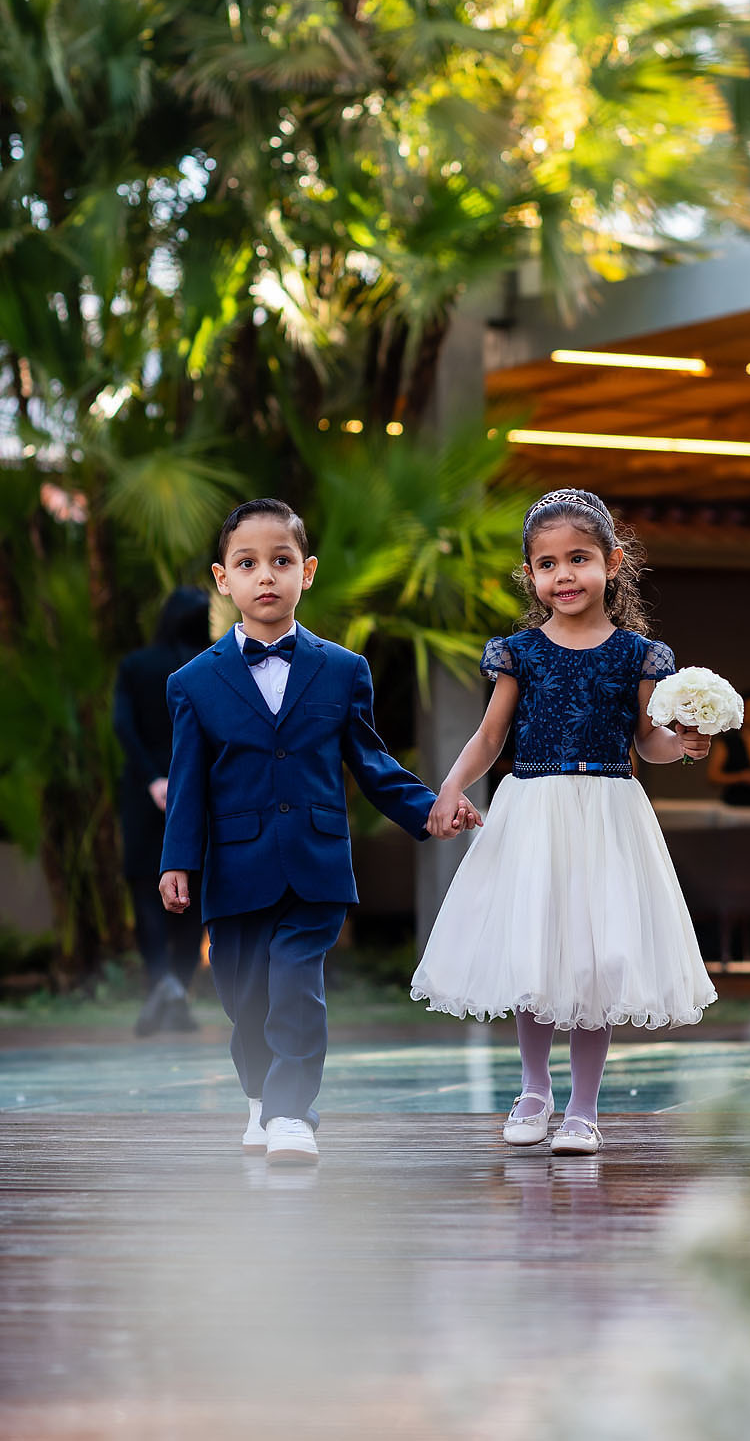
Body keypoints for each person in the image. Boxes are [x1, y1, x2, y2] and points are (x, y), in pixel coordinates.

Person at [158, 498, 476, 1167]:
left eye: (281, 562)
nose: (265, 576)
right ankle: (260, 1099)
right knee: (245, 999)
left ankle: (291, 1112)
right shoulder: (191, 683)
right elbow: (188, 782)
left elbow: (371, 760)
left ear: (308, 571)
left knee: (296, 981)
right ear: (224, 579)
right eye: (248, 564)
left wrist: (427, 808)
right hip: (234, 868)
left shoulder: (342, 670)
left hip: (316, 861)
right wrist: (176, 861)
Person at [410, 487, 717, 1155]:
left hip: (607, 814)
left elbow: (648, 741)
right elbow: (492, 737)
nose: (564, 575)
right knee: (535, 949)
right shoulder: (519, 652)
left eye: (578, 559)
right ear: (531, 576)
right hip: (534, 813)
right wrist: (451, 787)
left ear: (613, 561)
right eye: (547, 564)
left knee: (595, 961)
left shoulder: (640, 655)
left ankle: (583, 1105)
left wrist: (684, 742)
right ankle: (533, 1088)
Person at [114, 587, 211, 1037]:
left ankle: (163, 985)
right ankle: (175, 990)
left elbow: (124, 726)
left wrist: (154, 778)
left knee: (144, 887)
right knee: (195, 892)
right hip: (202, 792)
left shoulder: (135, 666)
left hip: (142, 792)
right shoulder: (212, 664)